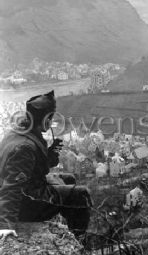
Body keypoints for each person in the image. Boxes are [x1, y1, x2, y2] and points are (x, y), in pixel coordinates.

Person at [0, 90, 92, 241]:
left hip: (30, 188)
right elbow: (12, 187)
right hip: (27, 202)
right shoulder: (24, 147)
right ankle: (80, 242)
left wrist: (49, 155)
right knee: (82, 194)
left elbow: (34, 168)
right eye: (50, 118)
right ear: (45, 119)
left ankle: (70, 228)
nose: (51, 123)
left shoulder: (20, 132)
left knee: (68, 179)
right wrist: (5, 224)